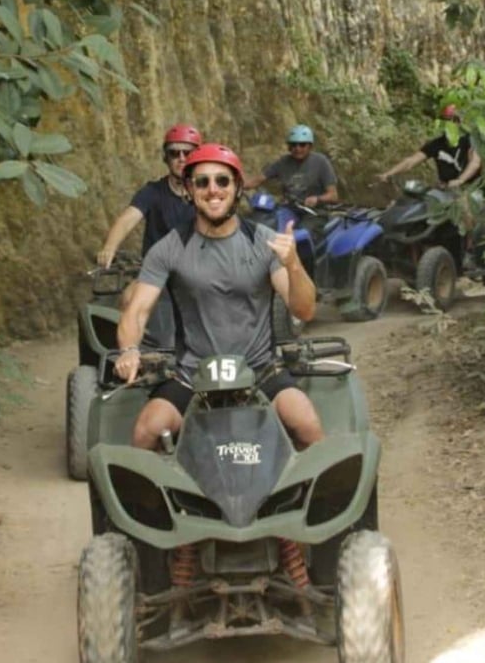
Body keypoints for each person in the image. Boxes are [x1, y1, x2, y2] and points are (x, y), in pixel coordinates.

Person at [114, 143, 323, 451]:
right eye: (202, 182)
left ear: (237, 187)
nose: (213, 190)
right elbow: (137, 311)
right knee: (146, 430)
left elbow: (304, 310)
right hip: (191, 374)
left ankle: (309, 497)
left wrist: (292, 264)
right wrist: (130, 349)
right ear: (188, 189)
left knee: (307, 424)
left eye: (222, 181)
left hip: (260, 370)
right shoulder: (169, 248)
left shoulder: (265, 242)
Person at [96, 124, 202, 268]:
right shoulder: (153, 191)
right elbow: (127, 220)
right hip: (157, 272)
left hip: (198, 270)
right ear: (166, 157)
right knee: (132, 291)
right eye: (174, 153)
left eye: (187, 153)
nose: (181, 158)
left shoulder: (207, 192)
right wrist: (109, 247)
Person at [375, 104, 481, 188]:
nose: (449, 124)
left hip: (471, 188)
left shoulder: (469, 140)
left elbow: (475, 162)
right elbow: (411, 161)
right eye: (446, 121)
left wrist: (461, 180)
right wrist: (388, 174)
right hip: (446, 188)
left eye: (453, 120)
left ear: (458, 123)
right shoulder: (436, 144)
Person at [245, 124, 339, 207]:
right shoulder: (283, 162)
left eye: (302, 145)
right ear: (289, 147)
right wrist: (238, 186)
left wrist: (317, 199)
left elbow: (333, 195)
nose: (297, 148)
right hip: (290, 209)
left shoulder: (321, 162)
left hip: (315, 212)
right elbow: (258, 179)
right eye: (294, 145)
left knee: (304, 227)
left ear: (310, 146)